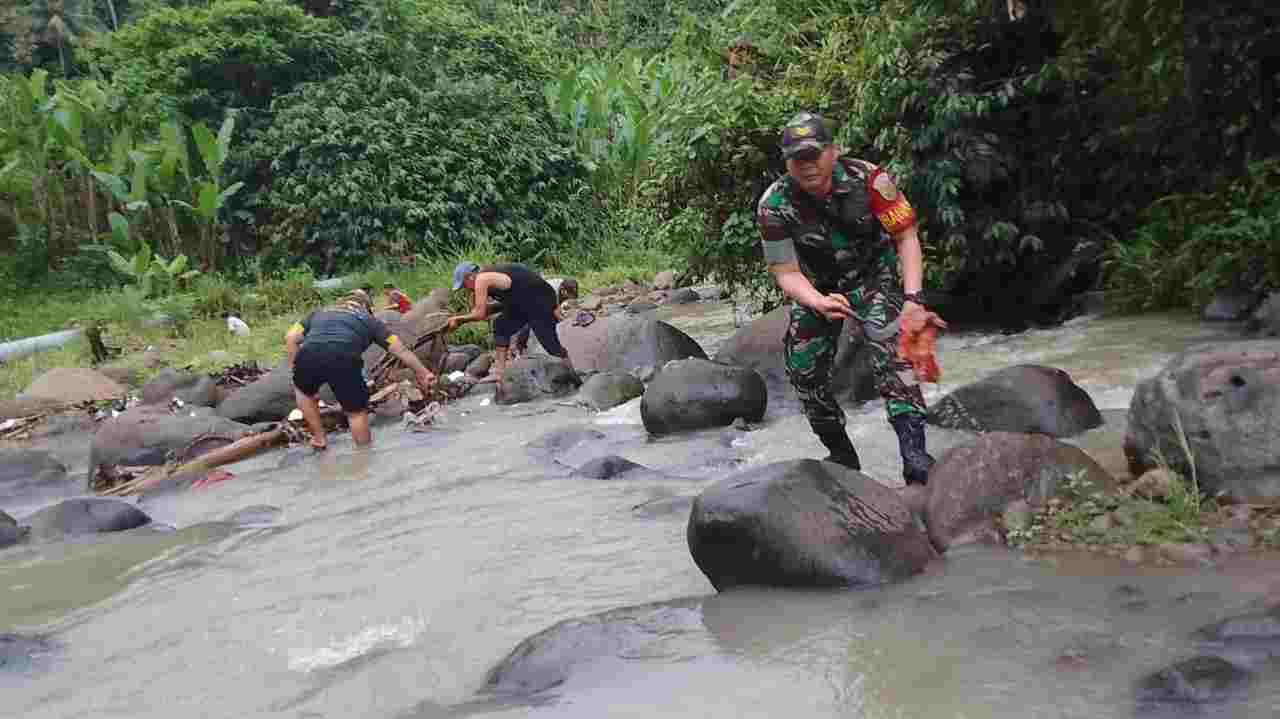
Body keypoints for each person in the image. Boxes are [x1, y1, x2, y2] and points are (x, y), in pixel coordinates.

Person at [756, 112, 948, 486]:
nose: (807, 165)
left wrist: (913, 299)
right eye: (798, 158)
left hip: (873, 279)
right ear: (786, 162)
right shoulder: (773, 204)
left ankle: (914, 455)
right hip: (820, 289)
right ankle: (842, 456)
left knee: (895, 358)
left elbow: (906, 237)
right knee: (804, 370)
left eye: (815, 154)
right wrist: (816, 301)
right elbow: (786, 272)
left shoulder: (872, 180)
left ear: (834, 151)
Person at [285, 289, 436, 450]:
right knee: (356, 413)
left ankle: (320, 439)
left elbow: (290, 338)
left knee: (303, 392)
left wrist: (297, 370)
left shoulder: (318, 313)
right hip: (344, 359)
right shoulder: (369, 321)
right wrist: (424, 373)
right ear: (365, 307)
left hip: (309, 355)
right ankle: (364, 455)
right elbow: (401, 351)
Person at [447, 261, 580, 385]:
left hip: (540, 300)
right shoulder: (488, 279)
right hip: (522, 303)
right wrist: (467, 313)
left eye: (464, 285)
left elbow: (479, 314)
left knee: (550, 343)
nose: (466, 289)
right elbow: (487, 310)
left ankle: (574, 376)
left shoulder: (482, 279)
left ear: (470, 277)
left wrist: (458, 319)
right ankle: (500, 373)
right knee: (500, 326)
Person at [511, 278, 579, 358]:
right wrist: (565, 321)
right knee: (528, 323)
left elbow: (572, 303)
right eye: (567, 296)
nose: (568, 298)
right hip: (530, 299)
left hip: (544, 298)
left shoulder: (567, 285)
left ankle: (556, 342)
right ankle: (518, 347)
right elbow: (555, 312)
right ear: (563, 290)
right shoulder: (550, 291)